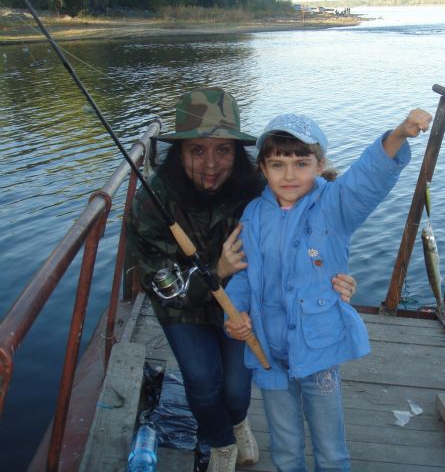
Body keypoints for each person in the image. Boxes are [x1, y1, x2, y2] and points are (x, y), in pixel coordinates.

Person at [126, 88, 357, 472]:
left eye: (224, 150)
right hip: (181, 307)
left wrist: (333, 274)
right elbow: (161, 285)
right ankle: (220, 445)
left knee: (236, 387)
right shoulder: (152, 201)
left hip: (244, 305)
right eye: (197, 151)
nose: (212, 164)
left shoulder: (258, 187)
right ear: (179, 153)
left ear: (239, 153)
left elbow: (313, 222)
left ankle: (237, 424)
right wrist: (218, 271)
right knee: (201, 382)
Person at [224, 109, 432, 471]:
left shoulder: (336, 207)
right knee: (285, 447)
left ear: (320, 166)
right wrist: (236, 313)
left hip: (318, 349)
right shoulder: (253, 215)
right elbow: (243, 274)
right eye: (277, 165)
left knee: (330, 449)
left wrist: (398, 134)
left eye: (301, 164)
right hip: (266, 352)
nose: (289, 175)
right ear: (262, 168)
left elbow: (367, 178)